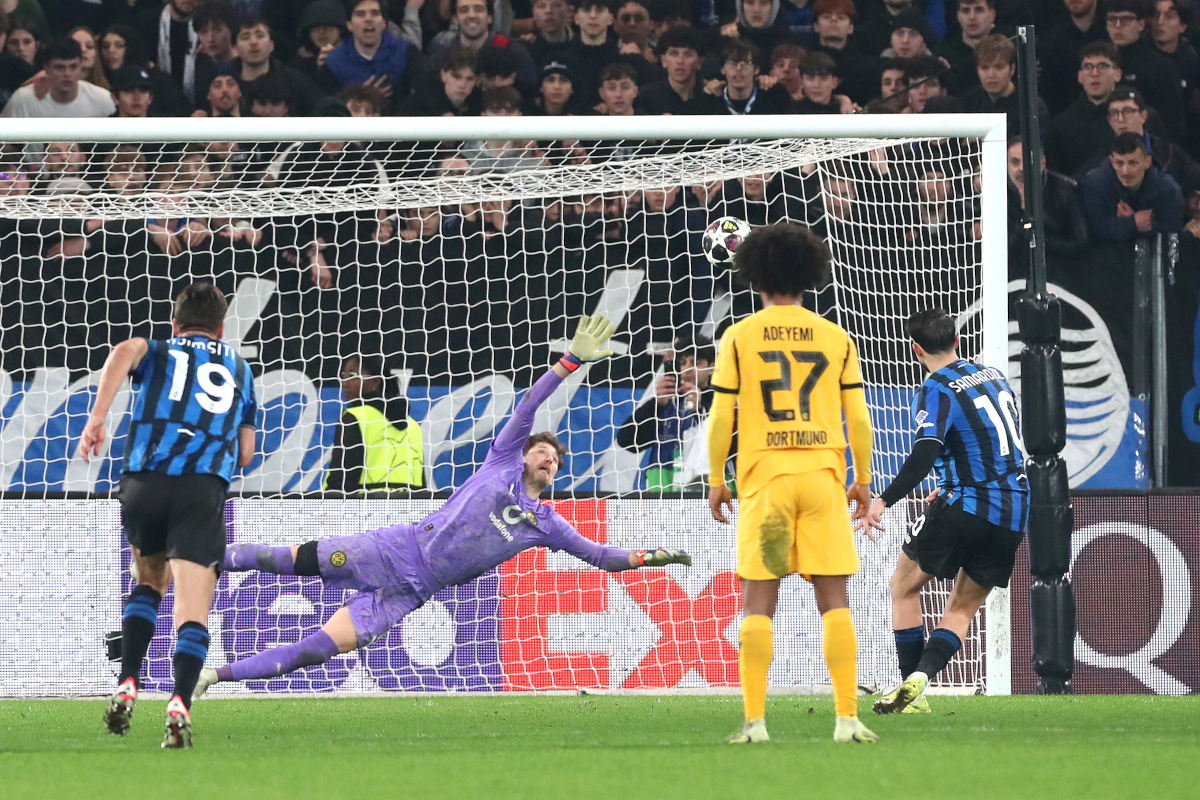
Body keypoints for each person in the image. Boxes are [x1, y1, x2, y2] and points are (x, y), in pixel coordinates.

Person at [192, 315, 692, 695]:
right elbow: (528, 406)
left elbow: (602, 557)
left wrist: (650, 557)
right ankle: (204, 554)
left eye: (555, 459)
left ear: (556, 473)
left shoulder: (546, 523)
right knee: (289, 561)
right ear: (523, 455)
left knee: (317, 650)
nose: (547, 457)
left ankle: (213, 676)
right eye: (541, 450)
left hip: (410, 593)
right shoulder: (500, 461)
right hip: (392, 550)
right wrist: (571, 361)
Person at [706, 223, 876, 745]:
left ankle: (755, 723)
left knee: (758, 603)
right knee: (835, 600)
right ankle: (847, 719)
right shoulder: (835, 336)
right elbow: (858, 417)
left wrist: (717, 479)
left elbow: (721, 415)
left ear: (755, 276)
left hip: (766, 477)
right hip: (824, 475)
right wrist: (863, 480)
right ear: (809, 276)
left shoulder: (739, 335)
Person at [81, 283, 258, 748]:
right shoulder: (238, 367)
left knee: (149, 583)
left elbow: (124, 350)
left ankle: (128, 681)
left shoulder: (157, 348)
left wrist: (97, 418)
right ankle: (179, 701)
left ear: (174, 323)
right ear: (222, 329)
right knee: (191, 608)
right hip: (200, 488)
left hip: (144, 482)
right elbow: (245, 453)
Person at [859, 308, 1028, 715]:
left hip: (967, 502)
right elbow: (992, 442)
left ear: (916, 349)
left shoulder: (936, 387)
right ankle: (923, 677)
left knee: (903, 588)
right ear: (956, 340)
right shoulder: (993, 376)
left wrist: (883, 500)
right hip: (1015, 508)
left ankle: (910, 691)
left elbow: (925, 451)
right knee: (962, 608)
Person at [617, 335, 716, 490]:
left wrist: (700, 411)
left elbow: (736, 446)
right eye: (682, 363)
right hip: (663, 497)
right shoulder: (665, 403)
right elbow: (627, 442)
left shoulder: (723, 401)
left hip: (711, 495)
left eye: (696, 363)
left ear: (711, 367)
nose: (688, 368)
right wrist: (657, 404)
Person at [325, 355, 423, 491]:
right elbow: (421, 483)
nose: (345, 383)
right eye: (343, 376)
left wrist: (328, 508)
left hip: (364, 508)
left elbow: (342, 477)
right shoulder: (413, 426)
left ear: (376, 381)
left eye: (353, 376)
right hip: (411, 508)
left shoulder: (355, 417)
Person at [1079, 131, 1185, 241]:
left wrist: (1146, 226)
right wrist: (1133, 223)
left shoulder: (1168, 189)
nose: (1125, 171)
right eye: (1119, 163)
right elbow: (1092, 229)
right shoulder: (1094, 183)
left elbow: (1174, 232)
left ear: (1148, 161)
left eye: (1132, 163)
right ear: (1112, 161)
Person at [1105, 0, 1187, 142]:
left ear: (1141, 24)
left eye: (1125, 20)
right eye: (1112, 19)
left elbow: (1173, 123)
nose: (1118, 26)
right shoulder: (1099, 63)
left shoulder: (1160, 67)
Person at [322, 0, 424, 109]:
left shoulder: (406, 51)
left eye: (375, 13)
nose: (368, 19)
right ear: (349, 25)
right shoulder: (333, 61)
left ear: (384, 23)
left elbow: (427, 87)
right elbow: (327, 106)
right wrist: (361, 96)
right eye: (360, 14)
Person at [1046, 41, 1123, 177]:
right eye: (1088, 67)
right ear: (1080, 76)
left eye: (1102, 66)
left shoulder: (1133, 117)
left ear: (1118, 74)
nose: (1094, 73)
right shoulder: (1061, 125)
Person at [1, 35, 114, 117]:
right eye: (59, 67)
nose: (67, 74)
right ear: (46, 68)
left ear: (81, 65)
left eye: (73, 66)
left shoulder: (102, 99)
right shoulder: (23, 100)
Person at [961, 34, 1049, 136]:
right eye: (985, 68)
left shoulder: (1032, 107)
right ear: (977, 70)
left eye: (999, 67)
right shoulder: (968, 102)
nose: (991, 75)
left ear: (1012, 69)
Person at [807, 0, 877, 106]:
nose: (833, 20)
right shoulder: (804, 62)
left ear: (850, 28)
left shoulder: (867, 66)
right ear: (816, 26)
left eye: (841, 17)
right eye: (826, 17)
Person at [637, 25, 718, 114]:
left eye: (688, 54)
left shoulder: (711, 93)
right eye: (674, 54)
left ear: (700, 63)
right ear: (663, 60)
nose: (680, 61)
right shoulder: (646, 96)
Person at [935, 0, 998, 96]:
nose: (972, 17)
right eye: (966, 11)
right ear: (958, 16)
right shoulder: (942, 54)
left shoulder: (1006, 51)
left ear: (992, 15)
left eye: (979, 10)